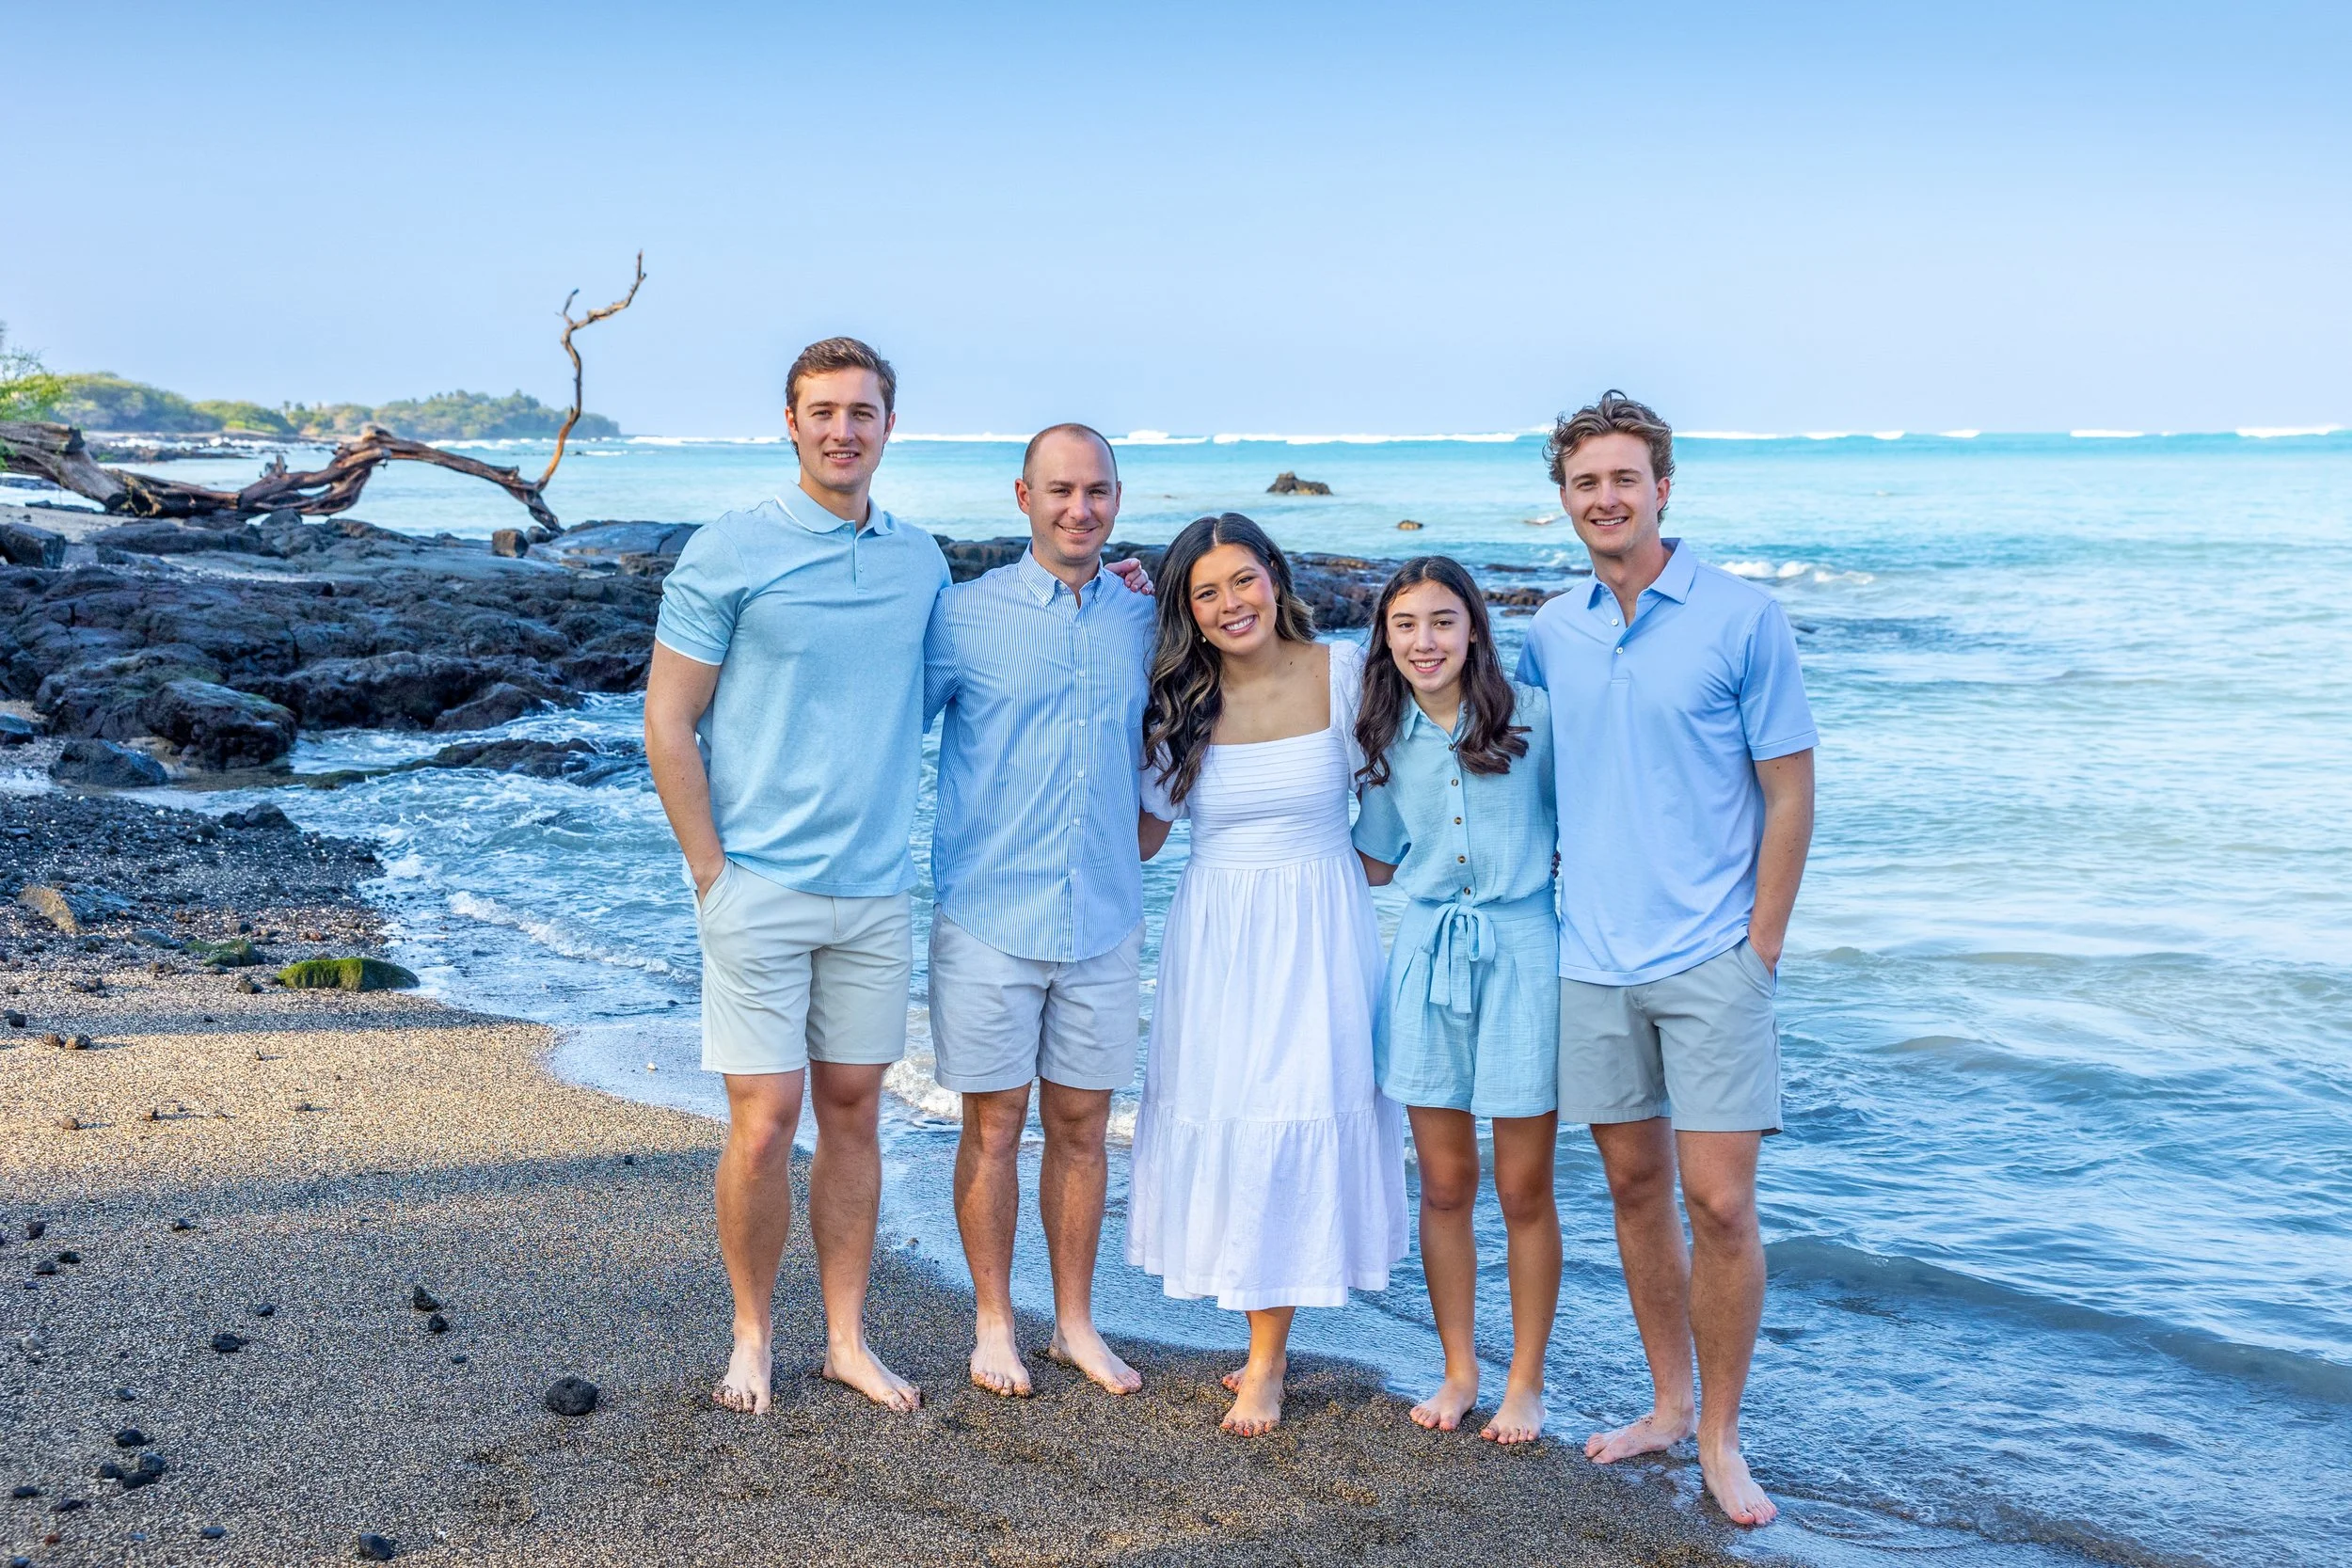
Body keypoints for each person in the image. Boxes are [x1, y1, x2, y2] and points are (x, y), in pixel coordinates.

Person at [1515, 391, 1817, 1525]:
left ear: (1662, 487)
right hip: (1590, 957)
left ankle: (1725, 1441)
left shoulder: (1743, 618)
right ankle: (1668, 1403)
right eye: (1584, 482)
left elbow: (1791, 787)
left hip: (1710, 958)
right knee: (1637, 1189)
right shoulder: (1553, 628)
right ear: (1565, 499)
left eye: (1623, 479)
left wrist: (1761, 945)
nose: (1604, 498)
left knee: (1720, 1200)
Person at [644, 337, 946, 1417]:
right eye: (822, 411)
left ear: (887, 427)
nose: (842, 429)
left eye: (862, 412)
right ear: (789, 421)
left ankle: (850, 1340)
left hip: (872, 890)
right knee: (766, 1117)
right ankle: (753, 1334)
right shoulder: (728, 549)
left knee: (856, 1113)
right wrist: (710, 873)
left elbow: (962, 683)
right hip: (756, 884)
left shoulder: (921, 560)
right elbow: (668, 722)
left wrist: (1115, 594)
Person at [1131, 513, 1408, 1437]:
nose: (1229, 603)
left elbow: (1399, 812)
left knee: (1295, 1112)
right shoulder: (1182, 699)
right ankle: (1261, 1338)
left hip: (1322, 931)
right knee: (1240, 1121)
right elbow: (1140, 836)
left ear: (1274, 576)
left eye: (1241, 580)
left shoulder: (1346, 674)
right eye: (1204, 592)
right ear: (1187, 611)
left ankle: (1265, 1357)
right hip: (1217, 937)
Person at [922, 423, 1156, 1400]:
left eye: (1096, 490)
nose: (1079, 508)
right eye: (1059, 489)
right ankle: (992, 1323)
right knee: (992, 1125)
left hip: (1104, 913)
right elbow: (884, 729)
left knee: (1083, 1127)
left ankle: (1073, 1323)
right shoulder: (960, 616)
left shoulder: (1146, 616)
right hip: (987, 915)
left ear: (1116, 497)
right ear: (1022, 496)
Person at [1350, 556, 1561, 1444]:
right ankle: (1459, 1368)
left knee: (1523, 1189)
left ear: (1474, 628)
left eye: (1442, 621)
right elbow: (1372, 859)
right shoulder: (1385, 734)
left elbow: (1593, 826)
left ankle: (1525, 1381)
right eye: (1405, 625)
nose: (1424, 641)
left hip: (1524, 964)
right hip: (1425, 963)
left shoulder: (1538, 720)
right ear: (1385, 638)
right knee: (1444, 1184)